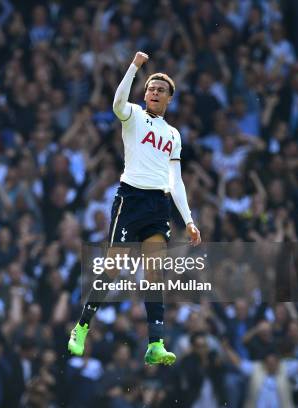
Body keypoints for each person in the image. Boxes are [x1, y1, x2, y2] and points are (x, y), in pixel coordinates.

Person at [68, 51, 201, 365]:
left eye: (160, 90)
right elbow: (116, 104)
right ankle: (81, 327)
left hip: (158, 204)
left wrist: (190, 220)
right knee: (113, 269)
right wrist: (134, 67)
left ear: (169, 98)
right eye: (150, 89)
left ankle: (155, 344)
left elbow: (176, 180)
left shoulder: (173, 135)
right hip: (130, 199)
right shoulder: (132, 115)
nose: (154, 93)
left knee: (155, 274)